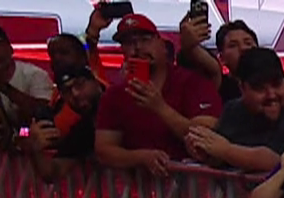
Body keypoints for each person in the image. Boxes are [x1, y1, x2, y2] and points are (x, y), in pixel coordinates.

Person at [94, 13, 223, 174]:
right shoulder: (115, 95)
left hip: (192, 184)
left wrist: (160, 108)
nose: (137, 47)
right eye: (129, 42)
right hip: (140, 187)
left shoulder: (192, 81)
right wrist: (140, 157)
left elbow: (208, 136)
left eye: (145, 39)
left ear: (162, 45)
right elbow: (104, 149)